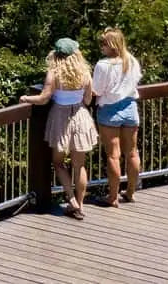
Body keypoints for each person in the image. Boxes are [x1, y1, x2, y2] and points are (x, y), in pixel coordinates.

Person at [19, 37, 98, 219]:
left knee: (58, 162)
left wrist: (26, 98)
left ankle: (71, 200)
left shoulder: (54, 74)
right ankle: (81, 204)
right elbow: (87, 100)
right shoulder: (85, 73)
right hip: (80, 116)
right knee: (80, 165)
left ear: (56, 54)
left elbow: (44, 98)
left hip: (60, 118)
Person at [92, 27, 142, 206]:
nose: (101, 47)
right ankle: (130, 192)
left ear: (111, 45)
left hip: (109, 110)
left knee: (113, 155)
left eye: (103, 43)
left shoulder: (103, 65)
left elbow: (96, 90)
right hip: (130, 107)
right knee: (132, 152)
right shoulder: (132, 61)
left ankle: (113, 197)